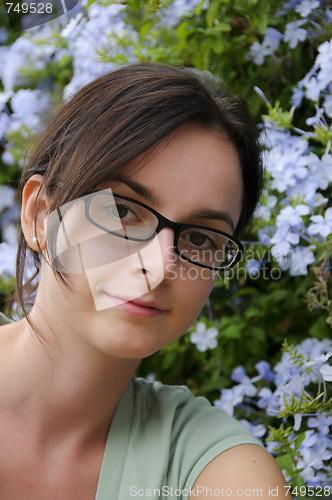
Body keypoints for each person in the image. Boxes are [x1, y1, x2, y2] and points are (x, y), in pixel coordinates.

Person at [0, 63, 290, 499]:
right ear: (41, 215)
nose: (159, 267)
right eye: (121, 211)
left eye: (200, 236)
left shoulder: (218, 468)